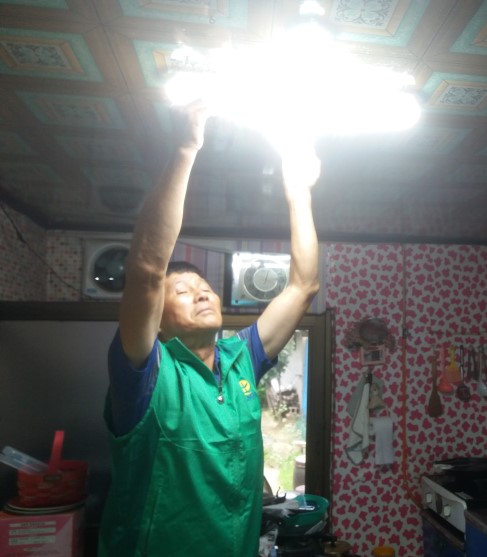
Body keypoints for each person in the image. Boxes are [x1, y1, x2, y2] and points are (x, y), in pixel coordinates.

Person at [97, 100, 321, 556]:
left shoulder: (241, 359)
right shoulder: (144, 372)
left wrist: (299, 194)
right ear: (156, 320)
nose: (201, 294)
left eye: (204, 288)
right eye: (182, 291)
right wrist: (186, 147)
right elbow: (146, 269)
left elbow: (303, 286)